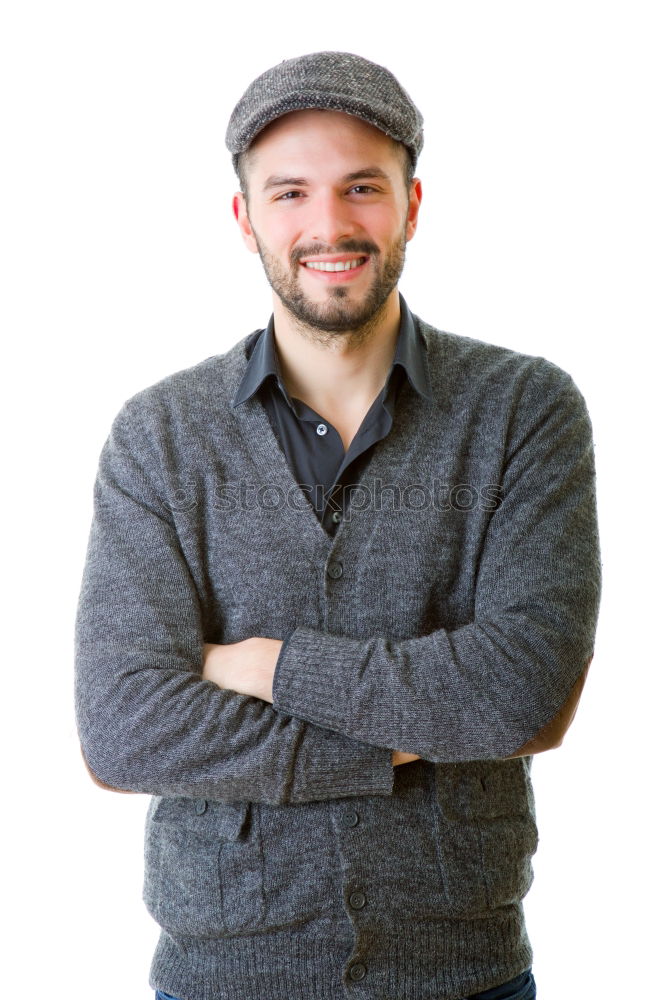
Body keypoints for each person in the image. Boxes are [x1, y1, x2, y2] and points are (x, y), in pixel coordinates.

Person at [74, 51, 601, 1000]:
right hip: (219, 978)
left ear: (412, 204)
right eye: (289, 193)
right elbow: (123, 726)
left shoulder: (525, 410)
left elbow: (523, 691)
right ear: (245, 219)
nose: (328, 225)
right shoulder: (159, 435)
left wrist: (260, 665)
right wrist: (407, 734)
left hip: (464, 976)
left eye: (363, 187)